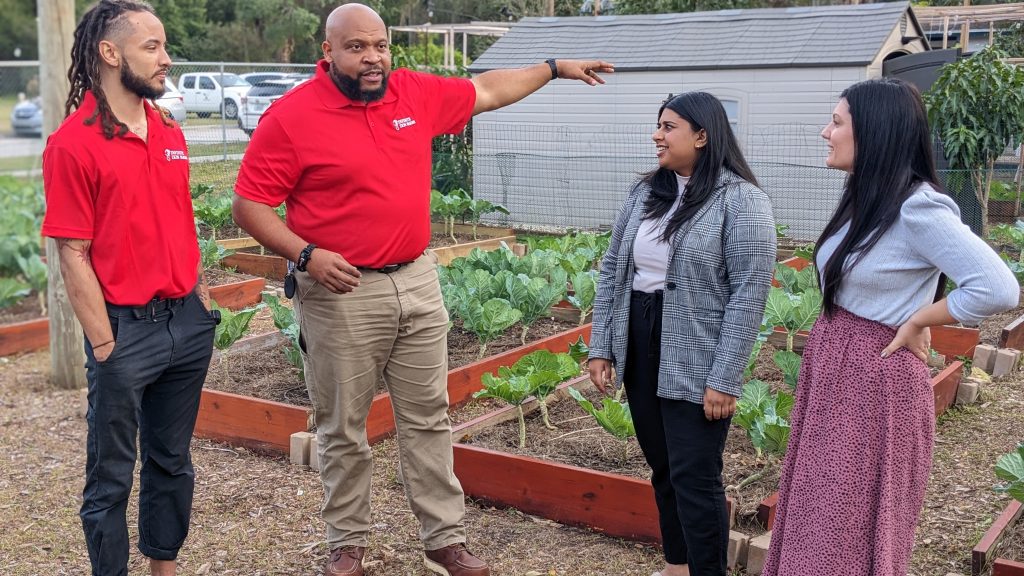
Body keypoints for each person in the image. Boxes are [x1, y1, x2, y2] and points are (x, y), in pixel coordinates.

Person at [230, 4, 613, 575]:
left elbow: (486, 90)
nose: (372, 58)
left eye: (380, 46)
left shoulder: (411, 94)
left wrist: (554, 67)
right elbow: (248, 204)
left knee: (429, 417)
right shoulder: (291, 118)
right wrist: (306, 254)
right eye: (357, 47)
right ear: (329, 51)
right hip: (342, 291)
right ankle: (347, 544)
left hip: (417, 278)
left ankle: (443, 541)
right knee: (342, 426)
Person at [762, 78, 1020, 576]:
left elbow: (997, 287)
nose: (824, 132)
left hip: (874, 381)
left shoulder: (916, 206)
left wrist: (922, 316)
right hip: (836, 369)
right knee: (817, 519)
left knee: (843, 531)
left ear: (874, 133)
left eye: (837, 122)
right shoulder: (866, 196)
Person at [39, 1, 219, 575]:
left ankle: (163, 567)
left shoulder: (169, 130)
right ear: (110, 53)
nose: (166, 59)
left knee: (172, 462)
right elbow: (73, 251)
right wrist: (104, 345)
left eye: (165, 47)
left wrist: (202, 297)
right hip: (124, 334)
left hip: (185, 326)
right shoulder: (73, 144)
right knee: (110, 478)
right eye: (153, 48)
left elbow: (180, 218)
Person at [587, 92, 777, 576]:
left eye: (669, 127)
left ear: (702, 135)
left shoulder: (742, 201)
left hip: (697, 350)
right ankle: (677, 565)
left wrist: (726, 377)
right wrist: (602, 345)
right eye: (659, 126)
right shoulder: (647, 192)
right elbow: (614, 270)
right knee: (663, 468)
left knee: (695, 474)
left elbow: (748, 296)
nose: (657, 135)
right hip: (642, 336)